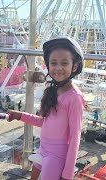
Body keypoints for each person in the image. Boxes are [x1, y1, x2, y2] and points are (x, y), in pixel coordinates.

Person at [7, 37, 84, 180]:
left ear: (74, 66)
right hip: (43, 149)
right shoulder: (52, 90)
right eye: (53, 63)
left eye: (64, 63)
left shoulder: (74, 97)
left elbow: (75, 137)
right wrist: (20, 115)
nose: (58, 68)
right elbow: (44, 122)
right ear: (48, 65)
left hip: (56, 156)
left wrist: (67, 174)